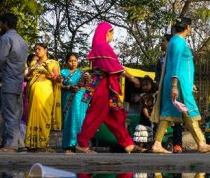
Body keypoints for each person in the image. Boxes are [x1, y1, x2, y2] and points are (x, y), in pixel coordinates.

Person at [75, 22, 143, 154]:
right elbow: (115, 67)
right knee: (96, 114)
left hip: (107, 86)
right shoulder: (102, 46)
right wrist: (131, 78)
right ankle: (82, 144)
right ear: (107, 32)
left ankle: (128, 143)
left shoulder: (100, 46)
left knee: (115, 115)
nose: (113, 36)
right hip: (102, 86)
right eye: (112, 33)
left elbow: (113, 65)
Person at [150, 17, 210, 154]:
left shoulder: (174, 41)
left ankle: (156, 143)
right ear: (188, 27)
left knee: (168, 113)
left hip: (178, 82)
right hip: (178, 83)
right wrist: (175, 85)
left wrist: (189, 84)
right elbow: (176, 64)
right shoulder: (179, 42)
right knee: (189, 110)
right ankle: (201, 143)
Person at [0, 13, 29, 152]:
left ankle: (10, 146)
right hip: (18, 81)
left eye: (1, 23)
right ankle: (20, 144)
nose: (1, 26)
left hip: (8, 82)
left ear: (5, 23)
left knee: (9, 114)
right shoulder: (23, 41)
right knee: (15, 114)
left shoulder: (6, 38)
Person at [24, 43, 62, 152]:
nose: (37, 51)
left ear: (46, 50)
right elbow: (26, 77)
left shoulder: (53, 63)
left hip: (46, 92)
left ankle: (43, 144)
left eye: (39, 49)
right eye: (35, 49)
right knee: (32, 117)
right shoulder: (34, 63)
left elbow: (59, 80)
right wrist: (31, 69)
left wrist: (49, 71)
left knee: (44, 117)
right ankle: (31, 144)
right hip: (33, 93)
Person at [154, 34, 184, 154]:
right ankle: (157, 142)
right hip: (164, 90)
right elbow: (157, 76)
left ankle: (177, 144)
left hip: (175, 89)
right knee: (162, 116)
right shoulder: (161, 59)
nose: (161, 43)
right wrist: (157, 87)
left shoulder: (176, 57)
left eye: (163, 41)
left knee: (178, 117)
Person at [60, 52, 89, 152]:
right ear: (67, 62)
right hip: (68, 99)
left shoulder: (82, 73)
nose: (73, 63)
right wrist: (69, 87)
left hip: (80, 101)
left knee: (79, 120)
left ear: (78, 62)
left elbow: (87, 87)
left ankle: (80, 144)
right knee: (68, 120)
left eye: (75, 61)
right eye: (70, 61)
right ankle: (69, 146)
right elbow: (59, 85)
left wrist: (86, 80)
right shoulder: (63, 72)